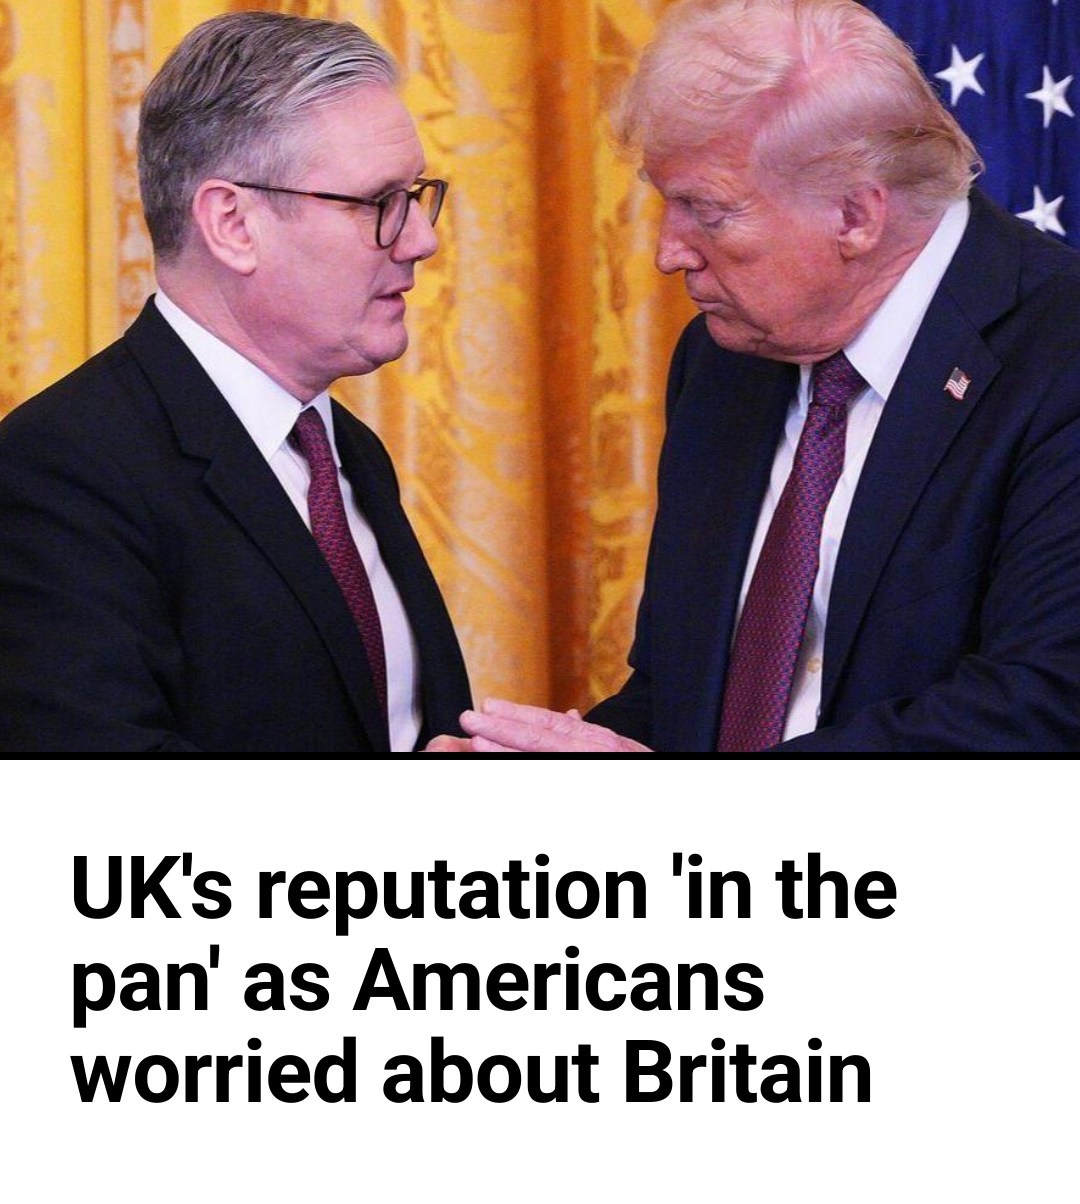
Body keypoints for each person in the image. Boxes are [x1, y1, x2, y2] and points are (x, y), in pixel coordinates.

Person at [431, 0, 1080, 753]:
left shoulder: (1058, 357)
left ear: (855, 216)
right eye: (667, 203)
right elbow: (682, 698)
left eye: (707, 212)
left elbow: (1042, 709)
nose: (668, 253)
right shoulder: (722, 362)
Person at [0, 12, 470, 752]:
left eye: (416, 195)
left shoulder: (347, 451)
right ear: (232, 224)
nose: (422, 238)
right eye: (379, 203)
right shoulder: (59, 472)